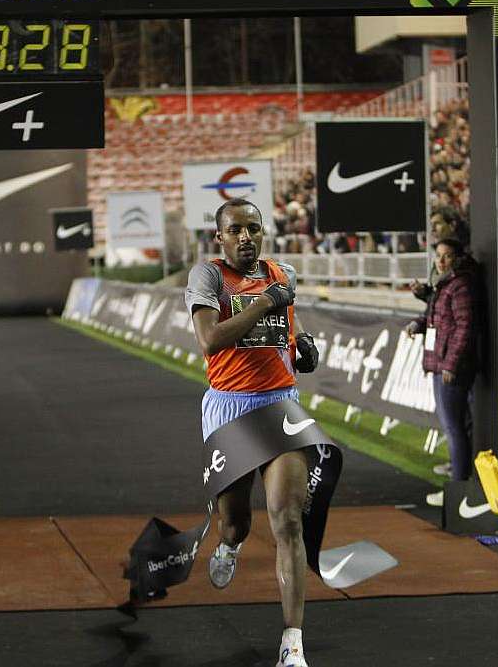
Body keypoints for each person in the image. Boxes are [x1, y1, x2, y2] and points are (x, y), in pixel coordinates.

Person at [184, 198, 319, 667]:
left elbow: (288, 324)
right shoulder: (209, 277)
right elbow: (210, 340)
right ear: (219, 237)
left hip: (281, 404)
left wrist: (302, 346)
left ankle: (293, 642)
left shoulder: (283, 273)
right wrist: (263, 303)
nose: (246, 237)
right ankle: (230, 544)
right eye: (236, 230)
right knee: (237, 519)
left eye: (254, 229)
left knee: (288, 520)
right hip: (229, 406)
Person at [405, 238, 481, 506]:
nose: (441, 261)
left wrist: (451, 363)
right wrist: (418, 323)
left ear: (458, 258)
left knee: (454, 428)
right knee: (456, 427)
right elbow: (437, 319)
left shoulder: (459, 286)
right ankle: (461, 484)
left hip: (450, 367)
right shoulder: (445, 284)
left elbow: (464, 327)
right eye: (438, 256)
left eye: (447, 256)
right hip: (439, 362)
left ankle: (459, 489)